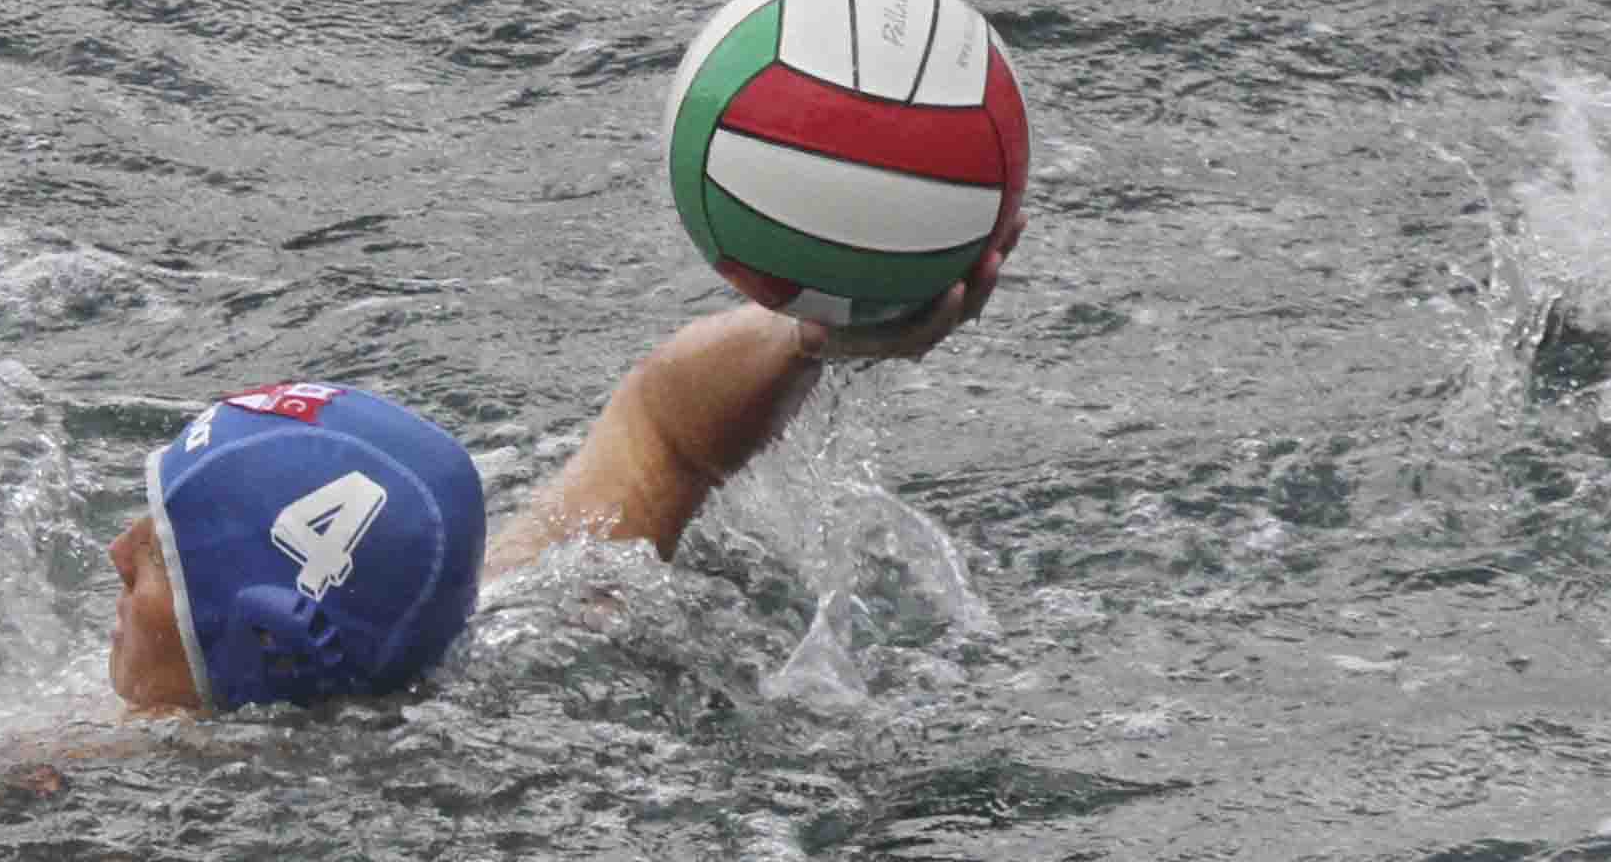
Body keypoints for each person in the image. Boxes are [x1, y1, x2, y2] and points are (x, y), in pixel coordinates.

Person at [105, 278, 986, 717]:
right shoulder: (493, 614)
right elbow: (663, 431)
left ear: (268, 641)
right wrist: (816, 326)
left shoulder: (110, 785)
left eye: (158, 556)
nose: (116, 553)